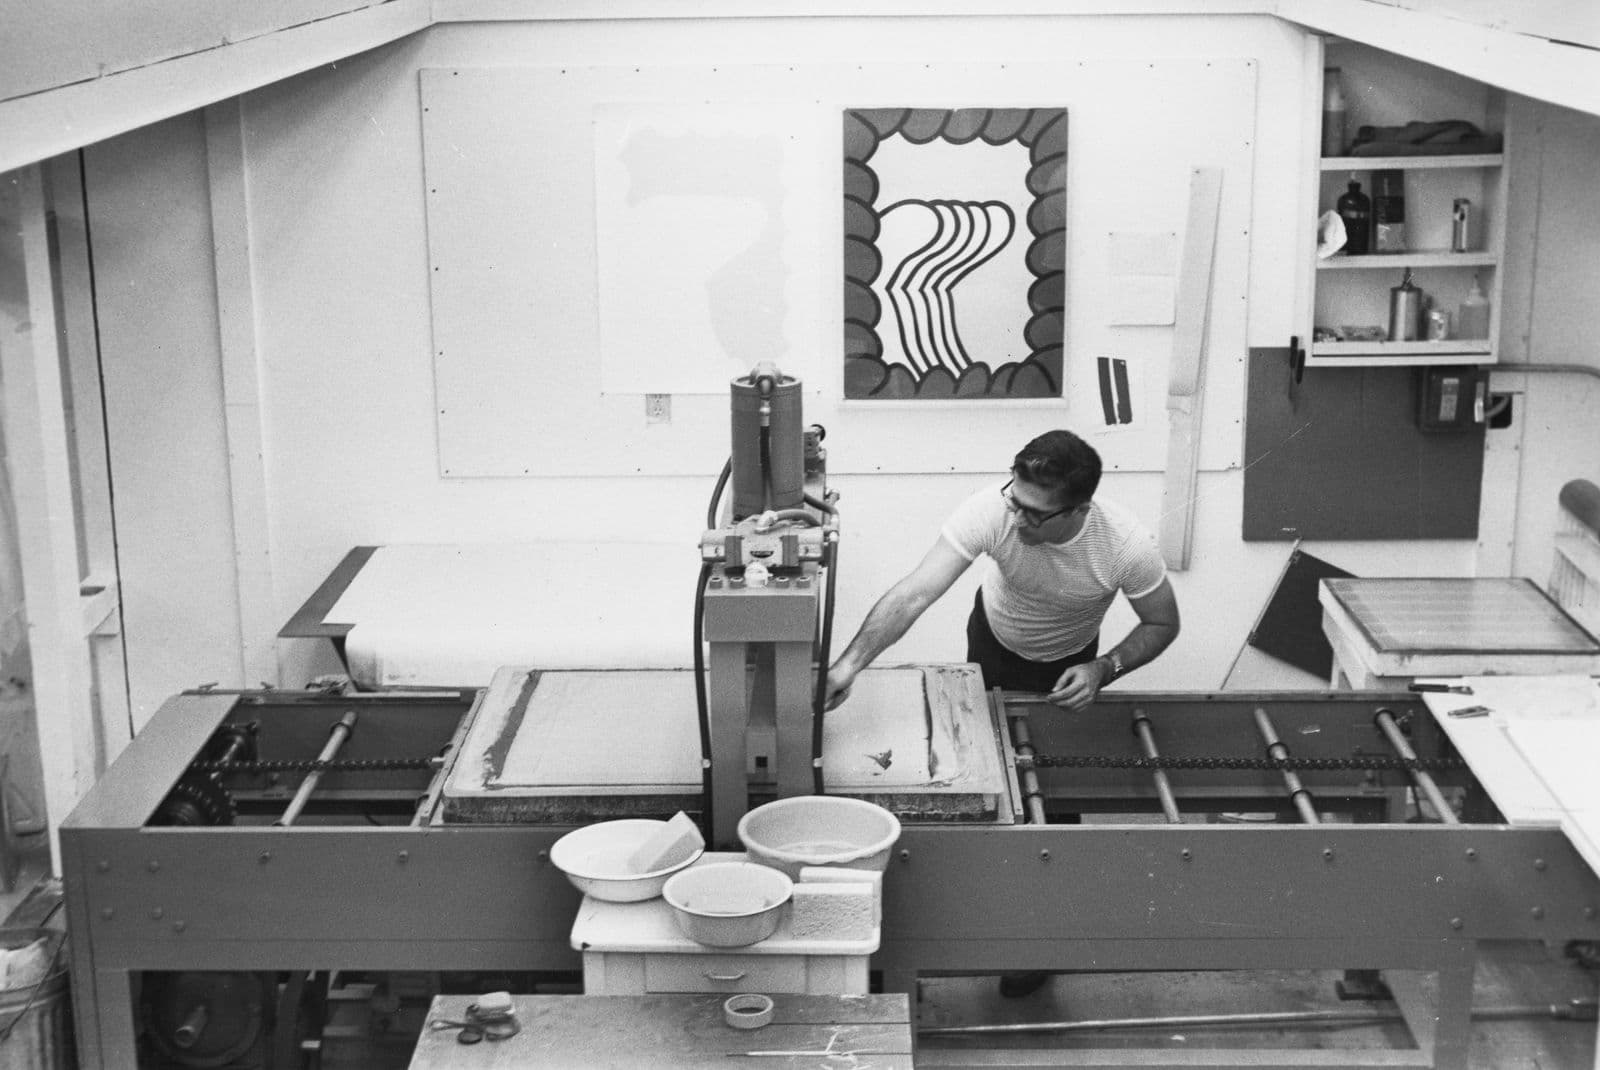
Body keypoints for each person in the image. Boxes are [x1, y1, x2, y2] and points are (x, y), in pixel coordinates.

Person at [821, 429, 1180, 997]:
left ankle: (1034, 944)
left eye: (1036, 515)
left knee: (1051, 809)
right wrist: (846, 667)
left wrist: (1104, 669)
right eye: (1015, 501)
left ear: (1079, 509)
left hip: (1070, 665)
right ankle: (976, 923)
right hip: (992, 642)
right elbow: (915, 592)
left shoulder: (1124, 545)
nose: (1019, 521)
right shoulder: (995, 509)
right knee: (988, 793)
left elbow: (1163, 624)